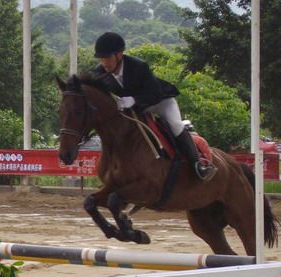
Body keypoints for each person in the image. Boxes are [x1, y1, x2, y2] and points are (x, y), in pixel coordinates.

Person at [92, 32, 217, 181]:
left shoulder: (138, 66)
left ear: (119, 55)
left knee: (175, 125)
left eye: (107, 57)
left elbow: (154, 93)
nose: (104, 62)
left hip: (160, 101)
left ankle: (198, 165)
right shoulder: (99, 74)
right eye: (101, 58)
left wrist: (134, 99)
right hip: (136, 108)